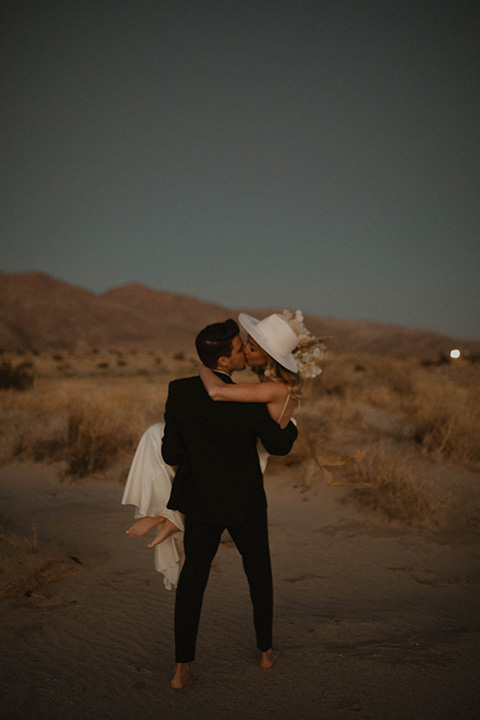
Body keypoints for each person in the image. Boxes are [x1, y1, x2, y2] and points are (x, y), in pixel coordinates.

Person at [162, 317, 300, 689]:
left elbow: (171, 452)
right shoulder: (249, 403)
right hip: (245, 503)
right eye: (240, 349)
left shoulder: (178, 391)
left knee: (193, 579)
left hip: (201, 501)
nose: (245, 352)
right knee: (259, 574)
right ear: (224, 362)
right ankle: (266, 653)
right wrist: (290, 413)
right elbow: (280, 446)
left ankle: (181, 669)